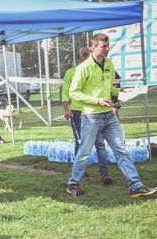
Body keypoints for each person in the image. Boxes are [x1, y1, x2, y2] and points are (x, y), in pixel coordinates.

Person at [66, 34, 156, 198]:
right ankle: (73, 184)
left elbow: (110, 88)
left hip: (109, 115)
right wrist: (97, 101)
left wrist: (121, 91)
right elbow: (74, 93)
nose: (107, 49)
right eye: (103, 47)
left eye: (108, 46)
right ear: (93, 47)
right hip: (91, 117)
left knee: (121, 150)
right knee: (84, 152)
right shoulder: (83, 68)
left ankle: (135, 186)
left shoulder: (109, 64)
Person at [62, 46, 111, 184]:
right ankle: (80, 173)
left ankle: (104, 174)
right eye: (86, 58)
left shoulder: (96, 69)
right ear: (80, 58)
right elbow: (66, 92)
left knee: (100, 143)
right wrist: (67, 109)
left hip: (94, 112)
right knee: (81, 143)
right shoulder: (71, 72)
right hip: (77, 112)